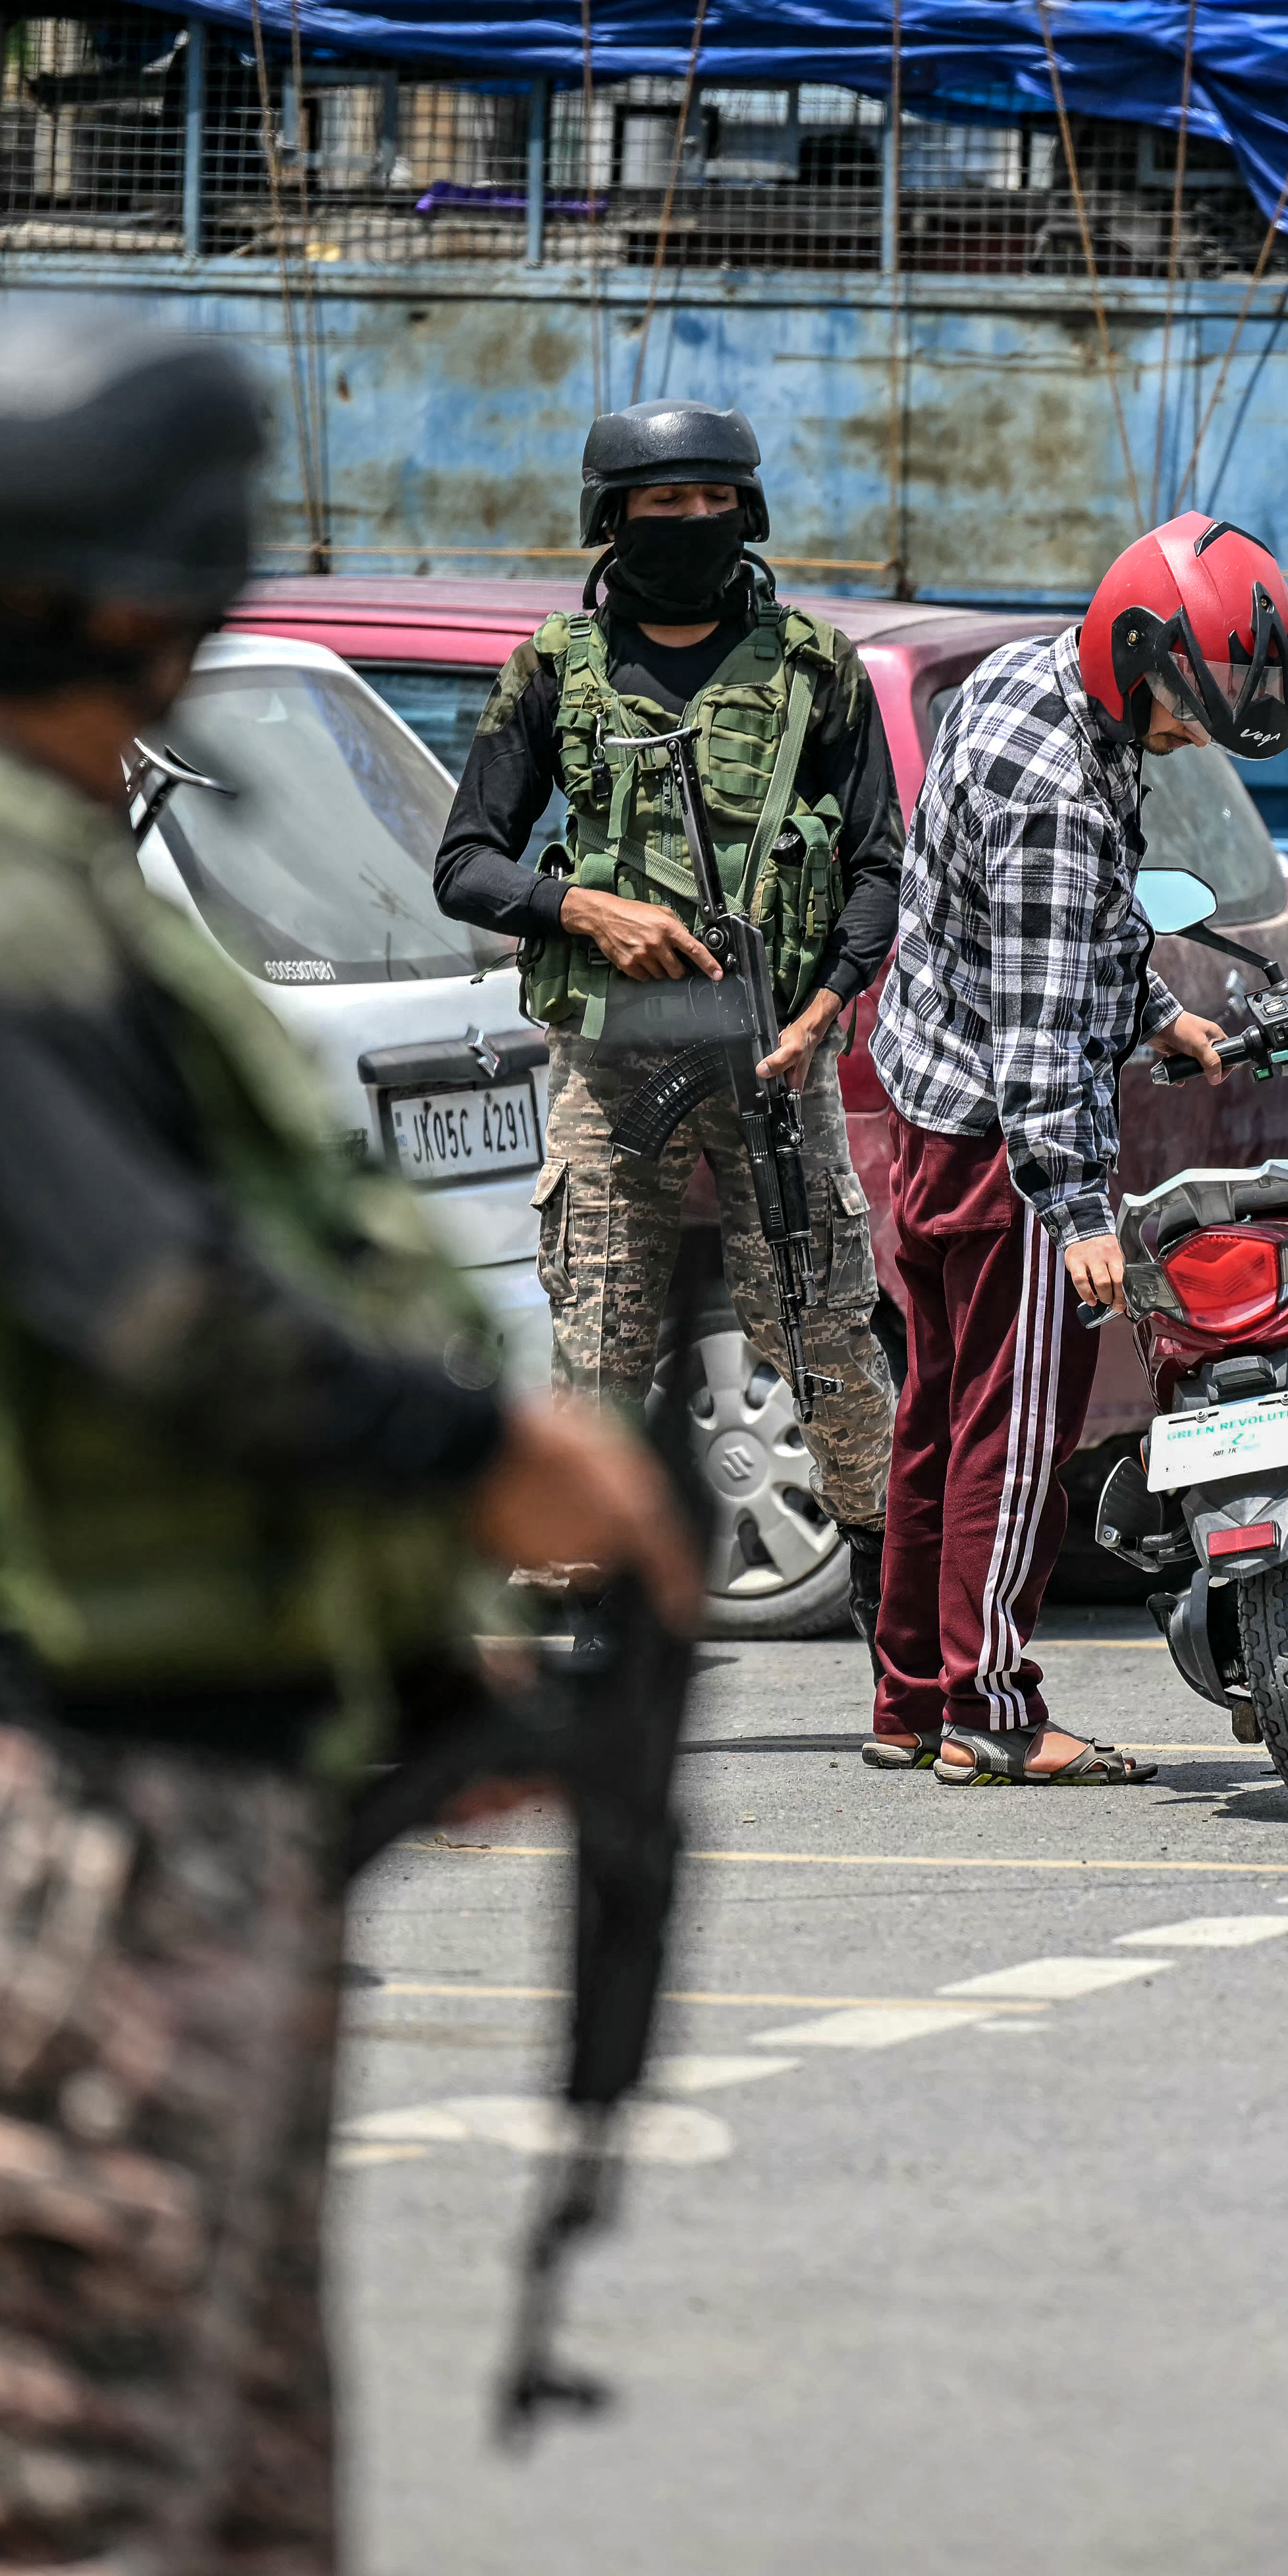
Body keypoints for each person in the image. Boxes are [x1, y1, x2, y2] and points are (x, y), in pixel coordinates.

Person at [0, 312, 693, 2576]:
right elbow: (152, 1307)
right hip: (85, 1815)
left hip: (197, 1765)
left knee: (242, 2537)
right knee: (43, 2537)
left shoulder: (38, 866)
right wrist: (499, 1459)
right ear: (147, 595)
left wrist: (388, 1653)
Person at [432, 399, 904, 1647]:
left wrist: (825, 1007)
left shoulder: (815, 668)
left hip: (773, 1059)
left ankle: (904, 1636)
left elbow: (877, 869)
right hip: (614, 1057)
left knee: (827, 1343)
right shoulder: (556, 671)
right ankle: (593, 1632)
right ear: (613, 516)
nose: (691, 523)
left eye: (712, 502)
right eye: (663, 503)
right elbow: (465, 865)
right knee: (595, 1346)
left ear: (745, 512)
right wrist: (584, 908)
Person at [867, 512, 1288, 1785]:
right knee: (1018, 1443)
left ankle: (910, 1695)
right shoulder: (1063, 796)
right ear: (1133, 652)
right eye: (1185, 704)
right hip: (1006, 1152)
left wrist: (1158, 1012)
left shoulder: (1017, 677)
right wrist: (1082, 1216)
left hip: (930, 1108)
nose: (1191, 732)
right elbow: (1043, 1037)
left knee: (941, 1421)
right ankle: (991, 1712)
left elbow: (1052, 932)